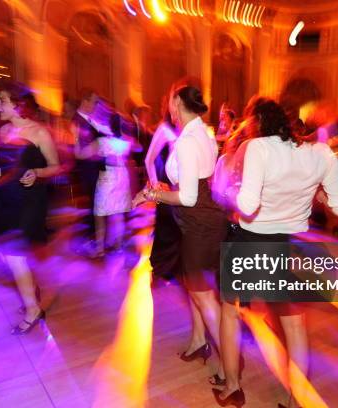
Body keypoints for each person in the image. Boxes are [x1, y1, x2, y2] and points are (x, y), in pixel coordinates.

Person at [217, 99, 338, 407]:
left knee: (230, 311)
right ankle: (296, 401)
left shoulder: (257, 147)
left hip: (251, 241)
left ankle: (231, 388)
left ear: (255, 122)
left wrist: (229, 192)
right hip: (292, 244)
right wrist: (309, 192)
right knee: (294, 324)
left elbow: (248, 206)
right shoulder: (320, 152)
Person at [133, 84, 228, 385]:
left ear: (176, 104)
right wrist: (161, 190)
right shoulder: (203, 134)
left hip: (197, 220)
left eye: (170, 102)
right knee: (195, 286)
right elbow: (194, 183)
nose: (168, 108)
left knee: (201, 292)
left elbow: (187, 196)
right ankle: (200, 341)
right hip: (201, 216)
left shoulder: (188, 141)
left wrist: (152, 194)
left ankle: (229, 365)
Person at [0, 83, 60, 334]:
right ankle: (32, 292)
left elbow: (54, 166)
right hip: (7, 200)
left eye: (2, 101)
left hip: (30, 201)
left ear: (17, 105)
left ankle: (33, 311)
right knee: (9, 255)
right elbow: (2, 171)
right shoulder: (4, 131)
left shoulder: (39, 132)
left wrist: (37, 172)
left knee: (15, 255)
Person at [74, 112, 132, 256]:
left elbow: (80, 154)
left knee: (100, 212)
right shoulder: (126, 142)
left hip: (108, 176)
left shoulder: (102, 142)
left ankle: (99, 249)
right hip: (123, 176)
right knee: (117, 212)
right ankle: (118, 246)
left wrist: (76, 136)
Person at [144, 104, 182, 282]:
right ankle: (162, 267)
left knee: (178, 227)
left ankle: (175, 267)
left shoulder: (186, 130)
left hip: (182, 186)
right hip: (166, 184)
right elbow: (149, 159)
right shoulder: (164, 128)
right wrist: (155, 184)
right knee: (167, 225)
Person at [72, 88, 107, 256]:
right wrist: (98, 148)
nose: (96, 105)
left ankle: (92, 240)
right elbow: (79, 151)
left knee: (95, 205)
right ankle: (89, 240)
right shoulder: (77, 121)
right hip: (87, 170)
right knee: (92, 205)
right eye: (95, 101)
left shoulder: (89, 120)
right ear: (85, 101)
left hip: (94, 169)